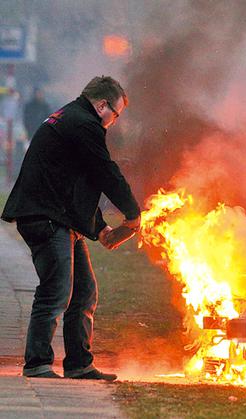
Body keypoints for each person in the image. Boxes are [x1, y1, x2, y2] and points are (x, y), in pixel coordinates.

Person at [1, 76, 141, 380]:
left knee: (84, 291)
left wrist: (100, 228)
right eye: (115, 114)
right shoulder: (83, 124)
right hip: (46, 217)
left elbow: (77, 182)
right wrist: (132, 212)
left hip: (58, 215)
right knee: (56, 291)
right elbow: (104, 172)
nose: (114, 122)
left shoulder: (71, 118)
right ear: (102, 105)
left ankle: (79, 363)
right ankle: (37, 363)